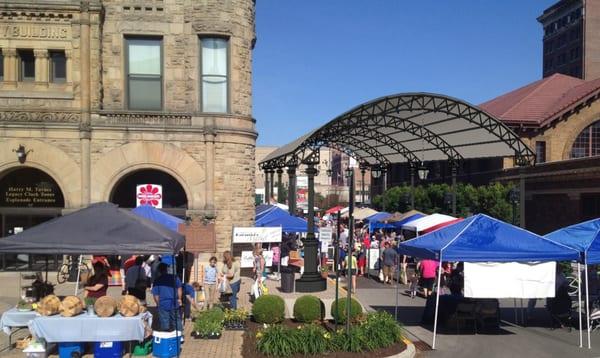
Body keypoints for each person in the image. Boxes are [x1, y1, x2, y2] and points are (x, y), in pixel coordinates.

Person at [152, 263, 183, 331]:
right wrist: (180, 299)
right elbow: (179, 289)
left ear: (159, 270)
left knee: (164, 322)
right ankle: (179, 336)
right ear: (167, 269)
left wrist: (158, 304)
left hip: (163, 303)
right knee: (176, 320)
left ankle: (167, 337)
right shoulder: (174, 277)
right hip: (174, 302)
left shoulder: (157, 280)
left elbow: (156, 295)